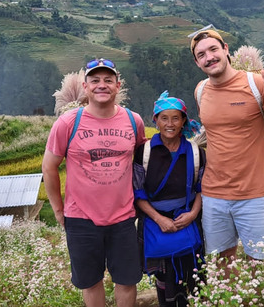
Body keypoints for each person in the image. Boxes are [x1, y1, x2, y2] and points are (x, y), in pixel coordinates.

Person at [42, 59, 147, 307]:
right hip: (81, 219)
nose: (102, 85)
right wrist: (59, 210)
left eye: (108, 80)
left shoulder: (134, 121)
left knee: (127, 280)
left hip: (123, 218)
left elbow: (141, 161)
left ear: (117, 86)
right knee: (90, 282)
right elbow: (49, 166)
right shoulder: (68, 123)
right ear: (85, 87)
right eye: (95, 80)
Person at [190, 28, 264, 264]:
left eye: (213, 49)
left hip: (254, 193)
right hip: (213, 195)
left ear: (226, 49)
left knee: (258, 263)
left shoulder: (255, 83)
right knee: (221, 262)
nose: (209, 57)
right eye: (201, 55)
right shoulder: (200, 91)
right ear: (197, 62)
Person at [134, 91, 205, 307]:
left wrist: (192, 214)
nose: (170, 124)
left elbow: (202, 188)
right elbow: (138, 193)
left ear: (184, 120)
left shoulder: (196, 152)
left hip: (188, 220)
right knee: (165, 278)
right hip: (156, 223)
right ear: (155, 121)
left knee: (194, 273)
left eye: (176, 118)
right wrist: (159, 219)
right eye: (164, 118)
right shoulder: (144, 152)